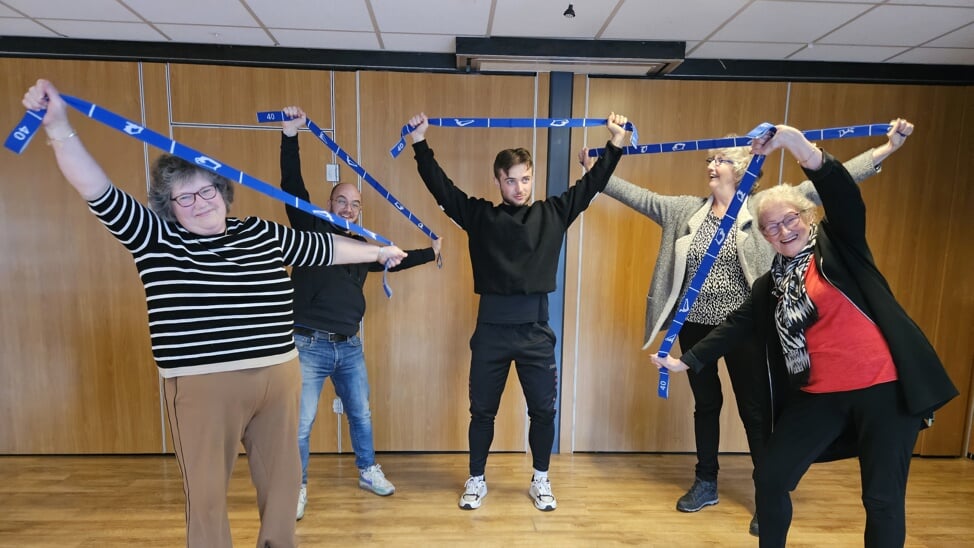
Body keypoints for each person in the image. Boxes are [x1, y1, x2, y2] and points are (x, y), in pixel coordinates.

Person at [21, 79, 407, 548]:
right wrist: (59, 126)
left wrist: (377, 251)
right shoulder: (154, 237)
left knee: (284, 489)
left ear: (224, 192)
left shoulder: (260, 232)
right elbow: (95, 187)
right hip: (203, 383)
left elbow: (325, 247)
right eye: (185, 197)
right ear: (170, 207)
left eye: (208, 191)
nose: (200, 203)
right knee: (205, 499)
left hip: (278, 376)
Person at [580, 118, 913, 535]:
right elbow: (639, 197)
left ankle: (764, 494)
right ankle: (708, 482)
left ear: (742, 168)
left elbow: (835, 184)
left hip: (767, 336)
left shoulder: (779, 216)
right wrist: (596, 167)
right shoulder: (694, 215)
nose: (711, 164)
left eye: (720, 158)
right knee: (710, 408)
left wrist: (883, 150)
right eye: (710, 157)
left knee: (757, 411)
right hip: (706, 328)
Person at [653, 124, 958, 547]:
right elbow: (738, 323)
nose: (782, 231)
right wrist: (685, 361)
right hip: (821, 395)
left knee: (881, 499)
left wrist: (796, 144)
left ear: (807, 216)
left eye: (789, 219)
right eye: (770, 228)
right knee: (772, 477)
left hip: (883, 390)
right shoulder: (772, 282)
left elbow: (842, 193)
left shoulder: (840, 247)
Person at [406, 111, 630, 512]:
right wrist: (420, 143)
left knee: (544, 411)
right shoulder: (479, 216)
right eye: (510, 179)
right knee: (482, 411)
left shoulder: (553, 213)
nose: (519, 187)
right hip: (491, 330)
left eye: (525, 178)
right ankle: (476, 479)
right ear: (498, 180)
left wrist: (615, 143)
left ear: (532, 178)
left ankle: (540, 479)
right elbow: (442, 190)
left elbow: (592, 183)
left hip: (535, 331)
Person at [278, 107, 442, 519]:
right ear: (328, 202)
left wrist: (431, 251)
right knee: (300, 424)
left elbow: (393, 261)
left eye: (355, 204)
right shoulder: (309, 229)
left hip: (349, 345)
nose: (348, 209)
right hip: (307, 342)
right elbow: (291, 183)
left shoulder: (361, 245)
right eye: (341, 201)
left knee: (361, 414)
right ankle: (295, 487)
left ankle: (368, 471)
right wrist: (290, 135)